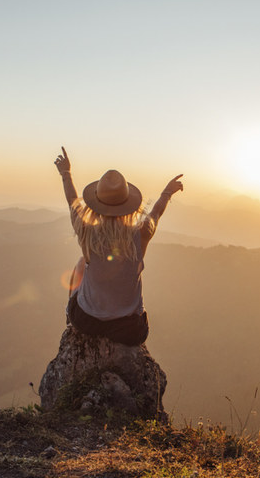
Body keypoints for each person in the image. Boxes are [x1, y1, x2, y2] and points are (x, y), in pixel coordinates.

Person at [54, 146, 183, 346]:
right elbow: (156, 212)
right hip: (129, 330)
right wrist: (167, 192)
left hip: (86, 321)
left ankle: (68, 317)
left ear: (96, 204)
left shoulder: (87, 233)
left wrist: (65, 173)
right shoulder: (142, 234)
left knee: (81, 263)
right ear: (129, 204)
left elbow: (72, 201)